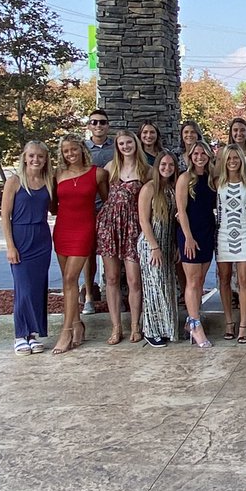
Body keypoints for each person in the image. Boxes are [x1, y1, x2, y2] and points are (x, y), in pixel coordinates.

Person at [53, 134, 109, 354]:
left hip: (85, 229)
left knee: (70, 278)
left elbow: (107, 203)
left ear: (82, 149)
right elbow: (52, 206)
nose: (70, 154)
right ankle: (77, 325)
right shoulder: (57, 174)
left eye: (74, 149)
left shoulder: (98, 174)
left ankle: (65, 331)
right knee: (68, 283)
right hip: (62, 230)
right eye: (66, 151)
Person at [1, 140, 53, 354]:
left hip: (41, 238)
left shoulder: (48, 180)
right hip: (21, 238)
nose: (35, 160)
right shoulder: (14, 181)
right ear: (24, 157)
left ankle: (33, 333)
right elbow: (5, 215)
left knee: (37, 288)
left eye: (40, 156)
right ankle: (20, 334)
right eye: (31, 155)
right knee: (23, 289)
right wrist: (10, 246)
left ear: (45, 159)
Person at [98, 129, 149, 345]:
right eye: (121, 144)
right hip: (110, 227)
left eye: (129, 142)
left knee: (134, 279)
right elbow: (104, 195)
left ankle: (135, 325)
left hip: (134, 227)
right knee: (111, 278)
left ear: (135, 144)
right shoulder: (110, 168)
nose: (125, 146)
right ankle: (116, 326)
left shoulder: (146, 170)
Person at [175, 140, 217, 348]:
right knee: (192, 282)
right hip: (189, 234)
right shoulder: (184, 179)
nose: (199, 157)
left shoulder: (211, 179)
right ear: (190, 157)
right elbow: (181, 211)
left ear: (208, 156)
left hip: (207, 231)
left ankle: (191, 319)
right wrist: (188, 237)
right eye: (195, 154)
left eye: (203, 153)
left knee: (200, 281)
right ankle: (195, 325)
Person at [137, 151, 179, 347]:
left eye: (171, 165)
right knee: (154, 287)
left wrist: (176, 245)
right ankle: (150, 330)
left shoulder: (172, 188)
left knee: (166, 286)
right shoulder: (149, 188)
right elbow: (144, 220)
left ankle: (167, 329)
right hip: (151, 243)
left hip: (168, 242)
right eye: (163, 165)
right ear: (157, 166)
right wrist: (154, 246)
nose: (167, 168)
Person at [215, 145, 246, 342]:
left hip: (244, 234)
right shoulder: (217, 183)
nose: (232, 161)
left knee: (244, 281)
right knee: (224, 280)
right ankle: (229, 323)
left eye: (236, 158)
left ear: (241, 160)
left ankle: (244, 325)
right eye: (228, 158)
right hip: (222, 235)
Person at [81, 108, 114, 315]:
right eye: (94, 122)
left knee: (112, 252)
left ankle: (115, 294)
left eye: (102, 122)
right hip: (88, 207)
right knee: (88, 254)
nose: (98, 126)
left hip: (111, 207)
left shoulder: (116, 148)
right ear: (89, 126)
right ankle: (89, 296)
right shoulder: (83, 149)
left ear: (107, 125)